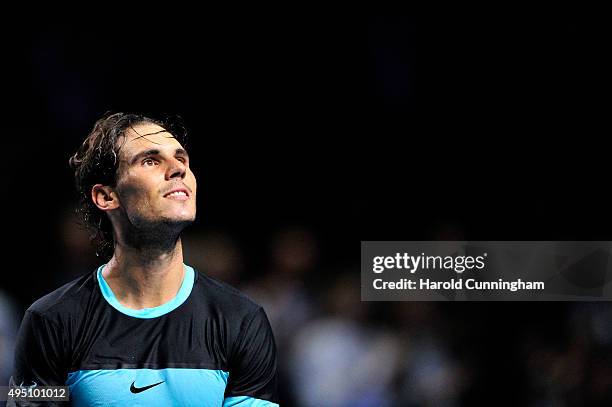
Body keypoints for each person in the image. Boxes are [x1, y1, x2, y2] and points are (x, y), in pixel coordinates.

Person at [8, 113, 279, 406]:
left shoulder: (242, 320)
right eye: (150, 160)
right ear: (106, 196)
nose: (178, 169)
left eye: (181, 158)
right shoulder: (49, 320)